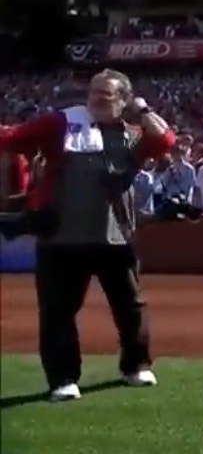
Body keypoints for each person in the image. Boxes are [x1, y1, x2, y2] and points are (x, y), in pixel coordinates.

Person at [0, 69, 175, 402]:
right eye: (93, 92)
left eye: (106, 94)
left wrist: (142, 109)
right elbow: (12, 138)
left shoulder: (132, 135)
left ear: (123, 100)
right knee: (57, 312)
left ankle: (136, 365)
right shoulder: (60, 124)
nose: (96, 99)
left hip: (114, 236)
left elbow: (164, 140)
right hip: (61, 237)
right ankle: (63, 379)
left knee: (130, 307)